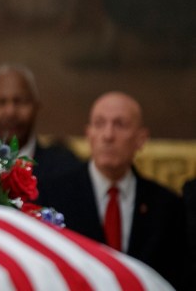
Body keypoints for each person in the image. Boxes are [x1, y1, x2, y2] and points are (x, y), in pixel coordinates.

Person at [37, 92, 187, 289]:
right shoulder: (52, 195)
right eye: (99, 124)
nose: (108, 135)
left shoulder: (167, 206)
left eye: (120, 124)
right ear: (89, 134)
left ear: (141, 139)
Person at [0, 63, 79, 182]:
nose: (10, 112)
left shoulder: (65, 168)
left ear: (36, 107)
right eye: (1, 102)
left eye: (20, 101)